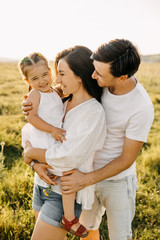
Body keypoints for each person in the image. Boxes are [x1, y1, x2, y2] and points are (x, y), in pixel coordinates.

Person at [58, 39, 154, 240]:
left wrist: (86, 179)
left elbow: (127, 159)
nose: (93, 76)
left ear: (122, 77)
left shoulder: (141, 107)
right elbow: (75, 89)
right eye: (94, 69)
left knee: (119, 236)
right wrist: (42, 99)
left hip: (116, 181)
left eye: (99, 74)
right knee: (85, 230)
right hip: (85, 172)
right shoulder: (98, 80)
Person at [22, 46, 106, 240]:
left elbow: (68, 157)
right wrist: (33, 162)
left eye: (61, 74)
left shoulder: (92, 112)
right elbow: (30, 132)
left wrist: (31, 153)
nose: (56, 80)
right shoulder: (60, 100)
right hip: (41, 184)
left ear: (79, 76)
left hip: (63, 192)